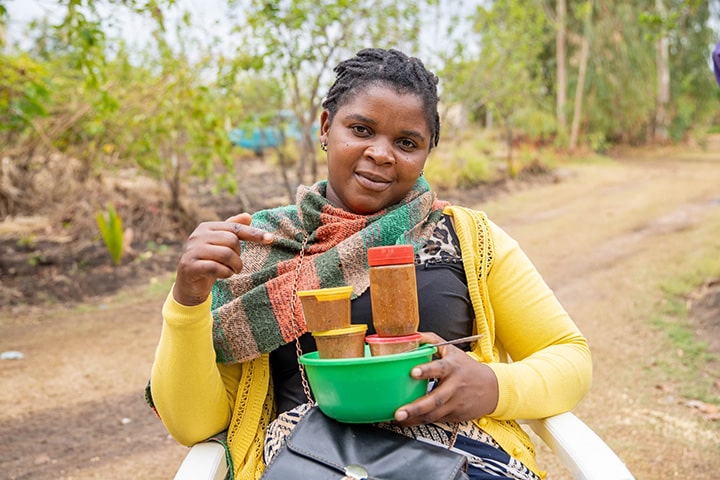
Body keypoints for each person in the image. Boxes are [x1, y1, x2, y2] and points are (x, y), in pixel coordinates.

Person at [148, 48, 592, 480]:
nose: (382, 153)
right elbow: (193, 424)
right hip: (308, 460)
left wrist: (492, 387)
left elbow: (569, 356)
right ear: (326, 127)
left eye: (406, 142)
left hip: (460, 461)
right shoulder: (261, 247)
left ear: (426, 153)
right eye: (361, 129)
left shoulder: (469, 239)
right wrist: (188, 300)